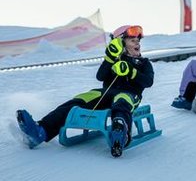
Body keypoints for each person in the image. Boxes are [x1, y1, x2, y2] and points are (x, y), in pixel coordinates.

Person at [16, 25, 154, 156]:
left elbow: (148, 81)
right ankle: (41, 131)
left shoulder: (144, 63)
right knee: (78, 100)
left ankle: (120, 133)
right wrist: (110, 58)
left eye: (138, 41)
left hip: (129, 95)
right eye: (132, 40)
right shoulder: (113, 60)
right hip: (105, 93)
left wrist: (131, 72)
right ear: (120, 44)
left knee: (121, 102)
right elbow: (100, 76)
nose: (137, 43)